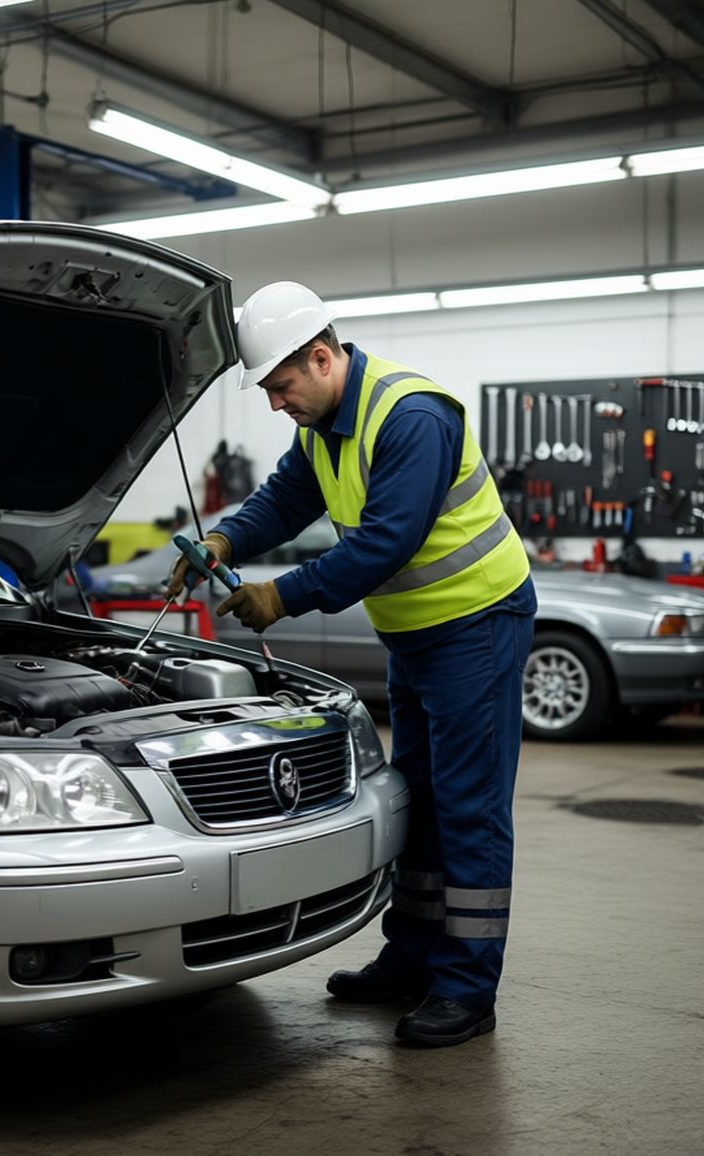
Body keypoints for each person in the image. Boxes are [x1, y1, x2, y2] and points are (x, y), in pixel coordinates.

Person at [168, 281, 535, 1048]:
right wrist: (225, 543)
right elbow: (285, 497)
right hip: (418, 636)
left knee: (468, 808)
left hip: (478, 627)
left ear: (324, 356)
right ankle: (411, 959)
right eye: (268, 390)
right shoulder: (326, 426)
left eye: (281, 385)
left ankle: (468, 988)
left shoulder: (412, 418)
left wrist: (281, 595)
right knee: (422, 798)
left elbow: (383, 544)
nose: (275, 402)